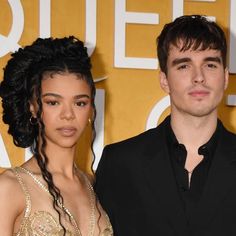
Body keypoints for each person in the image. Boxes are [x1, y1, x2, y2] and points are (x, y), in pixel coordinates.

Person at [95, 15, 236, 236]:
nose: (198, 77)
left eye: (210, 64)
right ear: (164, 80)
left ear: (225, 77)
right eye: (183, 66)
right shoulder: (120, 164)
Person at [0, 36, 113, 236]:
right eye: (53, 102)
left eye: (80, 103)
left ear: (91, 110)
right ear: (33, 107)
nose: (68, 115)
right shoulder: (10, 188)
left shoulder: (94, 187)